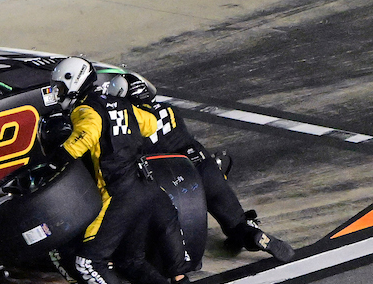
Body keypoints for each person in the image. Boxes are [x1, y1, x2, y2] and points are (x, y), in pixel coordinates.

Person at [50, 57, 190, 284]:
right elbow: (150, 124)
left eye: (59, 88)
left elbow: (86, 135)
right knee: (130, 259)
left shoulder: (86, 109)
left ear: (74, 85)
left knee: (88, 262)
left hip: (118, 195)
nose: (57, 94)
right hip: (145, 188)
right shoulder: (120, 104)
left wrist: (57, 157)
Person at [106, 75, 294, 263]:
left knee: (159, 228)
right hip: (203, 165)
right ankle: (253, 235)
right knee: (235, 222)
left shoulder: (129, 123)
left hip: (176, 181)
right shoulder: (169, 109)